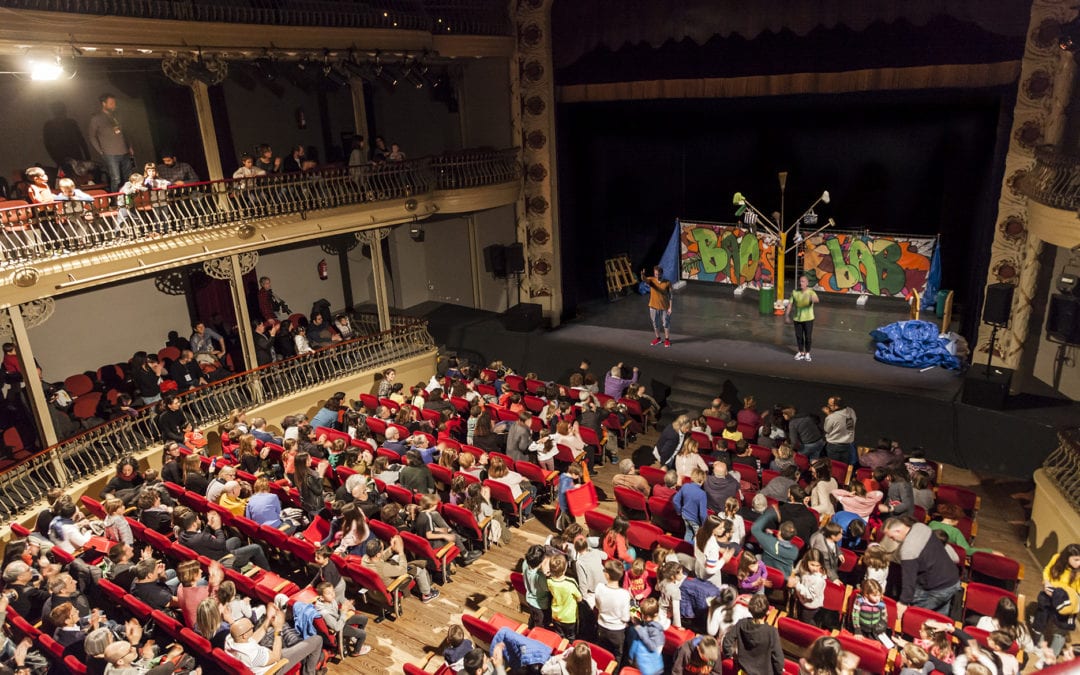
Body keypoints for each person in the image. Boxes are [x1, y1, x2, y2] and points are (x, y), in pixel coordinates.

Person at [883, 516, 961, 615]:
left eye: (891, 537)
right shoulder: (920, 527)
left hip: (936, 588)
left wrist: (903, 602)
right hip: (952, 581)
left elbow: (909, 579)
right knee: (939, 620)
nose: (892, 540)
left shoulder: (908, 549)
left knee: (915, 617)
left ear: (898, 531)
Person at [224, 607, 322, 675]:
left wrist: (268, 619)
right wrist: (278, 629)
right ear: (244, 635)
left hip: (266, 656)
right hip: (275, 666)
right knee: (317, 639)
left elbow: (253, 639)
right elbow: (276, 657)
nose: (253, 628)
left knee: (292, 642)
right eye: (251, 628)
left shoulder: (230, 640)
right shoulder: (252, 655)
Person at [721, 594, 783, 675]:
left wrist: (731, 657)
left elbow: (726, 642)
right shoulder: (771, 632)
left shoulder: (741, 624)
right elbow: (778, 659)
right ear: (767, 612)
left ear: (750, 609)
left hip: (743, 671)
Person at [87, 93, 135, 192]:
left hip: (124, 151)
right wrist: (100, 151)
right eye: (111, 103)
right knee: (116, 179)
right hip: (110, 154)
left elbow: (125, 132)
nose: (114, 105)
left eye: (114, 103)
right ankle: (117, 200)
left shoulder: (117, 116)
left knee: (129, 177)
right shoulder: (96, 119)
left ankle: (129, 199)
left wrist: (129, 146)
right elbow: (92, 136)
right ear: (104, 104)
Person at [593, 559, 631, 658]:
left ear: (607, 575)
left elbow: (597, 606)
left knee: (601, 653)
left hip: (602, 627)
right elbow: (626, 618)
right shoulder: (625, 594)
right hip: (617, 631)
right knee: (616, 655)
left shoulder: (599, 588)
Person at [785, 274, 820, 361]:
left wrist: (812, 299)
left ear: (807, 283)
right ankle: (801, 352)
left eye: (803, 281)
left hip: (808, 319)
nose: (801, 283)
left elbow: (817, 300)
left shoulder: (811, 292)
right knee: (799, 336)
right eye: (800, 281)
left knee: (808, 337)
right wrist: (787, 315)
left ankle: (807, 353)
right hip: (797, 319)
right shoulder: (795, 292)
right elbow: (790, 304)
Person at [642, 265, 672, 347]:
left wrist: (670, 307)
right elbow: (644, 279)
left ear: (662, 274)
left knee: (666, 324)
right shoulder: (651, 280)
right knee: (655, 323)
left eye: (658, 274)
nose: (657, 276)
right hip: (653, 306)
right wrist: (643, 275)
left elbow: (671, 296)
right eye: (655, 274)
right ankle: (658, 338)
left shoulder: (667, 282)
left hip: (664, 307)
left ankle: (667, 340)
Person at [822, 396, 857, 464]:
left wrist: (829, 414)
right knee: (843, 466)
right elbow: (849, 427)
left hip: (834, 446)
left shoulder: (832, 417)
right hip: (847, 445)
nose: (828, 406)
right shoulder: (850, 411)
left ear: (836, 406)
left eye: (829, 405)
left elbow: (827, 429)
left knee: (834, 466)